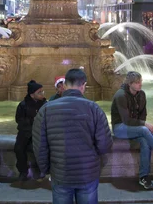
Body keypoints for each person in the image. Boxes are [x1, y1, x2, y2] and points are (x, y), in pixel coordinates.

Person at [33, 69, 112, 203]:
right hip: (87, 173)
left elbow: (39, 145)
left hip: (60, 173)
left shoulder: (46, 109)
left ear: (64, 85)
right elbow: (104, 145)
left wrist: (47, 169)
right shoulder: (94, 109)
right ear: (83, 85)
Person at [14, 80, 47, 181]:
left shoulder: (45, 104)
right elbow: (18, 119)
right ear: (32, 95)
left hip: (39, 133)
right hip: (25, 133)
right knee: (19, 148)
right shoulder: (23, 105)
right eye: (39, 92)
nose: (42, 94)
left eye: (42, 91)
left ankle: (41, 170)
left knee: (38, 148)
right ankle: (23, 171)